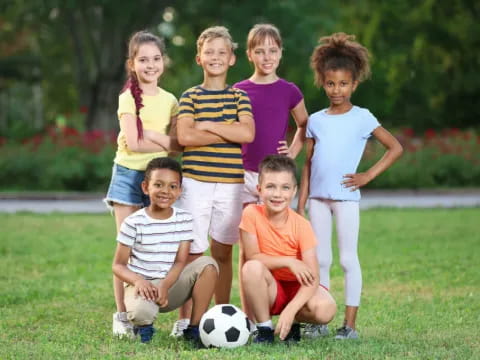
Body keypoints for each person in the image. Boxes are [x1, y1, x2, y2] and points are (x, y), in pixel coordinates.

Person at [297, 32, 403, 340]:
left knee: (347, 259)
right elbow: (308, 164)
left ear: (354, 84)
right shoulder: (316, 120)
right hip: (317, 199)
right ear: (323, 81)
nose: (337, 90)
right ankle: (321, 320)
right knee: (321, 259)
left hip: (346, 199)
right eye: (331, 83)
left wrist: (367, 176)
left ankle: (350, 326)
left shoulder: (362, 117)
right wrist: (300, 203)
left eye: (343, 84)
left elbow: (395, 147)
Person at [171, 26, 255, 336]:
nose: (216, 57)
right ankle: (186, 319)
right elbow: (184, 136)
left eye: (222, 52)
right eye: (210, 52)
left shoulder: (239, 96)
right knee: (193, 252)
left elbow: (247, 133)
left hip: (231, 184)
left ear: (232, 58)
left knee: (222, 253)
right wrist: (224, 127)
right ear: (199, 58)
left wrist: (205, 126)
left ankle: (222, 316)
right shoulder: (190, 95)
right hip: (196, 182)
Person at [104, 30, 181, 338]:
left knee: (155, 246)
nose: (151, 65)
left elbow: (180, 146)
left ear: (164, 61)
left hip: (157, 177)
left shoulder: (171, 100)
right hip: (127, 176)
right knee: (128, 248)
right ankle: (122, 316)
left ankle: (144, 310)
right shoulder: (127, 98)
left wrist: (153, 139)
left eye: (156, 59)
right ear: (132, 64)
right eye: (143, 60)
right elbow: (134, 145)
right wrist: (160, 143)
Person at [233, 23, 309, 321]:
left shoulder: (289, 91)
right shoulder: (239, 90)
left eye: (273, 51)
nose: (267, 56)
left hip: (276, 180)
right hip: (245, 177)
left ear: (280, 53)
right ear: (250, 54)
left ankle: (277, 303)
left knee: (275, 242)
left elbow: (304, 125)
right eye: (260, 51)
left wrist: (291, 152)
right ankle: (249, 317)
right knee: (246, 249)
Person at [112, 157, 218, 345]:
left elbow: (180, 261)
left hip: (171, 285)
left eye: (172, 186)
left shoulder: (184, 219)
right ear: (145, 187)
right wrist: (138, 281)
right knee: (140, 312)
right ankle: (144, 327)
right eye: (158, 185)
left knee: (208, 265)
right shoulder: (133, 222)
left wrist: (165, 285)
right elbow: (118, 266)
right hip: (143, 286)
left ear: (179, 190)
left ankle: (193, 329)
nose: (165, 192)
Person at [240, 155, 337, 343]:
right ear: (259, 190)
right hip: (270, 287)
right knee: (251, 268)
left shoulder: (302, 225)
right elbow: (253, 256)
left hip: (298, 287)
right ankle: (265, 330)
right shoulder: (251, 213)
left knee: (326, 309)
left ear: (294, 191)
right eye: (270, 187)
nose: (277, 194)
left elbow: (313, 277)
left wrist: (291, 310)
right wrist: (289, 261)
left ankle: (293, 323)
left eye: (285, 187)